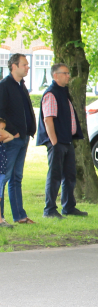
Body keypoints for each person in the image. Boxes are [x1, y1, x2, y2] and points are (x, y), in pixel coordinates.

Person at [37, 63, 88, 219]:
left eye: (68, 73)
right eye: (65, 73)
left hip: (67, 141)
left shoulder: (64, 93)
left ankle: (69, 207)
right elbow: (48, 119)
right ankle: (50, 210)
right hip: (58, 142)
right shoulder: (51, 94)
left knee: (70, 175)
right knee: (55, 176)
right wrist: (54, 142)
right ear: (55, 75)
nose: (68, 76)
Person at [0, 53, 37, 224]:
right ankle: (0, 218)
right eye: (24, 64)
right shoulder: (5, 86)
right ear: (14, 66)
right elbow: (1, 112)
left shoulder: (21, 86)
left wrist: (29, 130)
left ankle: (20, 216)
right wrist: (13, 131)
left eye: (28, 65)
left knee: (16, 178)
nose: (27, 67)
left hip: (23, 138)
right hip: (11, 139)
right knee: (3, 177)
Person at [0, 118, 14, 228]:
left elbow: (11, 136)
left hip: (1, 170)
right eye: (1, 129)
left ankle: (0, 220)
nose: (3, 131)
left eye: (3, 129)